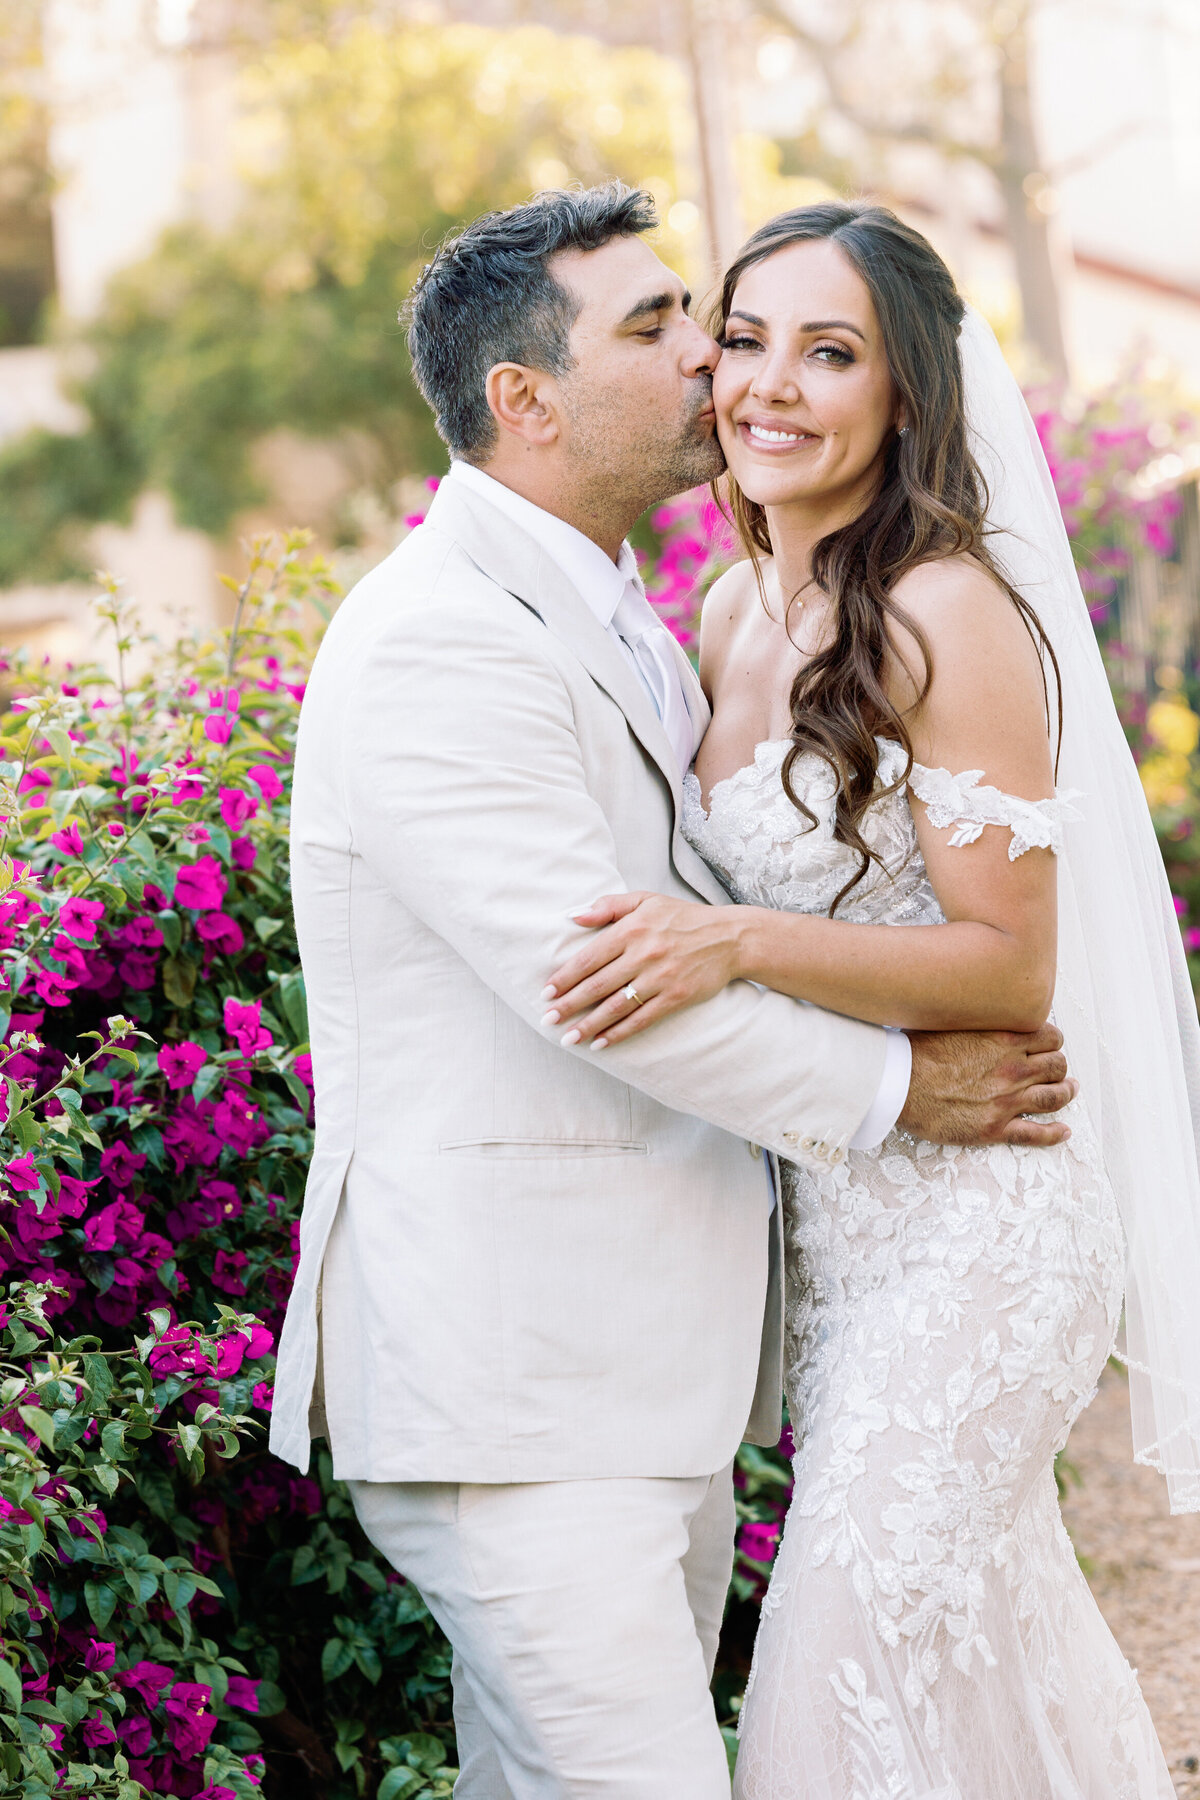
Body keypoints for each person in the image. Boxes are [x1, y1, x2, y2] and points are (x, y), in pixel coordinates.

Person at [269, 184, 1078, 1798]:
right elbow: (605, 979)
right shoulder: (440, 645)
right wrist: (901, 1090)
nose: (714, 359)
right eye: (663, 325)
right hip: (524, 1388)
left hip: (648, 1371)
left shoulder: (641, 612)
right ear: (526, 397)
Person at [544, 202, 1200, 1798]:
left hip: (985, 1233)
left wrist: (738, 945)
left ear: (906, 395)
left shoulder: (945, 612)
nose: (769, 387)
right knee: (982, 1672)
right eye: (745, 341)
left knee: (831, 1681)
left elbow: (1006, 963)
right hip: (842, 1238)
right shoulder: (723, 611)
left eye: (828, 354)